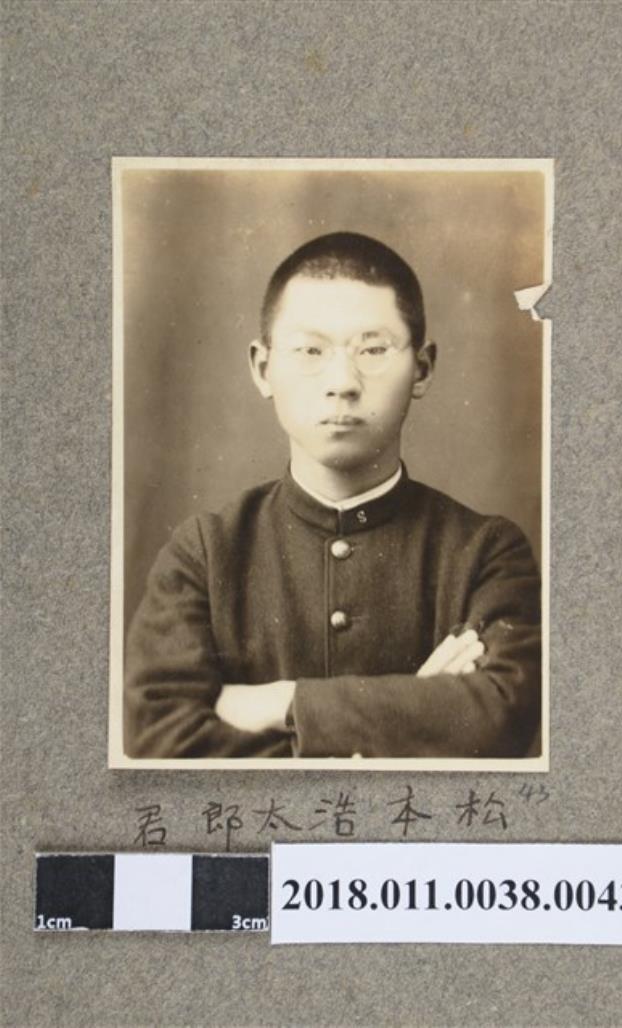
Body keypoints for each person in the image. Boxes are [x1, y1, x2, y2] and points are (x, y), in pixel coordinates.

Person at [124, 231, 541, 759]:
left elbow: (501, 716)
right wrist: (417, 714)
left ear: (422, 368)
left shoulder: (486, 553)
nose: (342, 381)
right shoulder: (205, 554)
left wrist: (283, 702)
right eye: (310, 350)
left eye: (373, 349)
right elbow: (161, 741)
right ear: (263, 369)